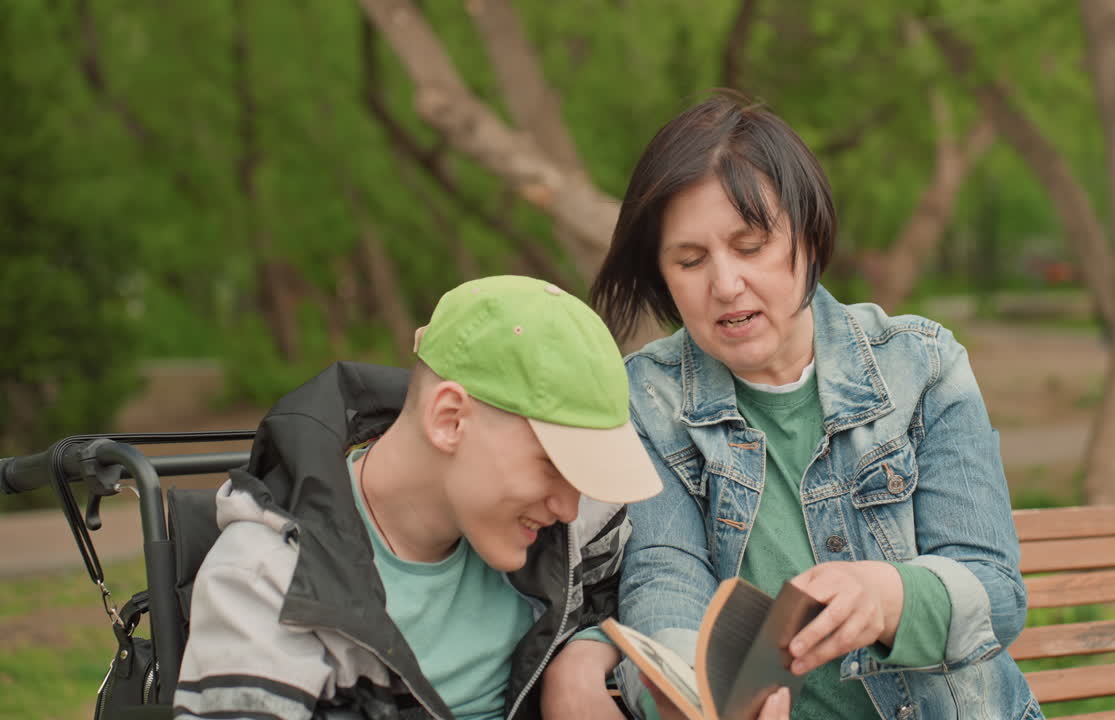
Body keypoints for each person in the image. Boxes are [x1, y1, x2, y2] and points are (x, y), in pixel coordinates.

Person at [591, 95, 1041, 719]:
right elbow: (665, 581)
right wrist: (689, 697)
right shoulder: (647, 401)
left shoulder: (923, 366)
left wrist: (888, 597)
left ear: (808, 235)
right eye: (690, 260)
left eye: (749, 247)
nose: (724, 285)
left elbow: (995, 592)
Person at [174, 275, 662, 720]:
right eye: (553, 465)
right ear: (448, 419)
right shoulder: (266, 588)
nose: (568, 506)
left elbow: (637, 594)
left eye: (584, 474)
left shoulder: (574, 531)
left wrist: (579, 664)